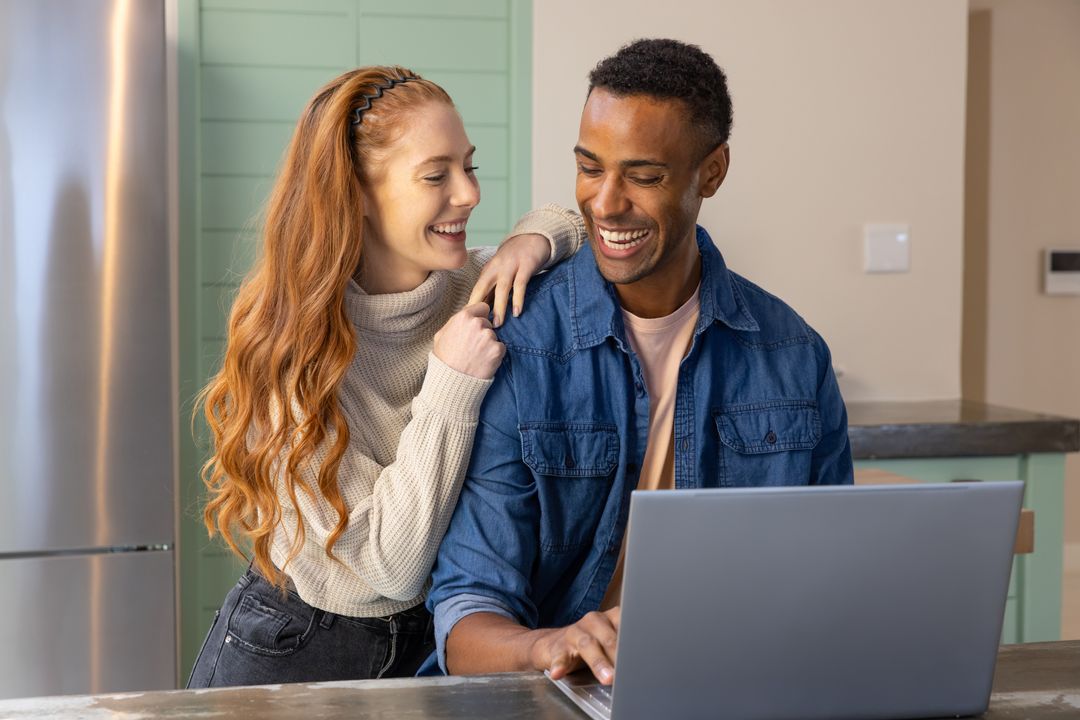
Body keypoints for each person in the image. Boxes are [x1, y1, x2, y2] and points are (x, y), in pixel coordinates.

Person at [425, 39, 854, 682]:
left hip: (735, 682)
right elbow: (467, 620)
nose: (605, 203)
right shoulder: (521, 345)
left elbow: (834, 581)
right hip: (556, 694)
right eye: (590, 167)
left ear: (711, 172)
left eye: (644, 176)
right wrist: (551, 646)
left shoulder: (794, 356)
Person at [186, 66, 584, 687]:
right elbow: (390, 565)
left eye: (469, 166)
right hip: (301, 651)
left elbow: (584, 226)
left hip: (432, 644)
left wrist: (529, 241)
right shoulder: (292, 348)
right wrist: (451, 385)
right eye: (436, 175)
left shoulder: (473, 285)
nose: (469, 193)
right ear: (357, 194)